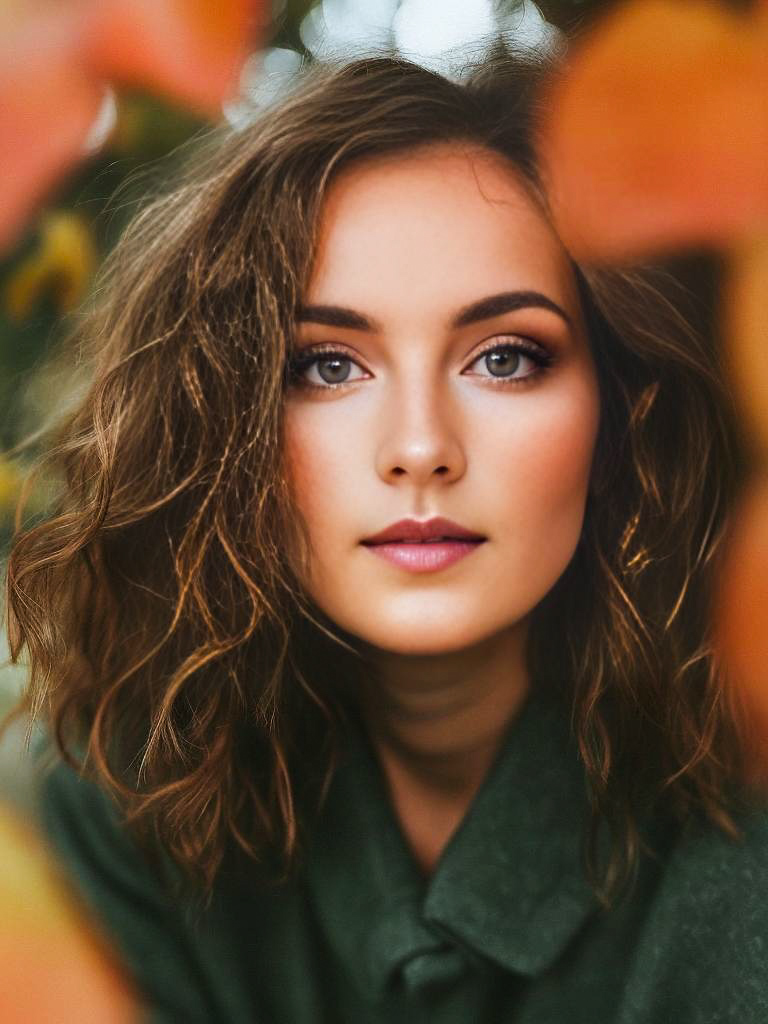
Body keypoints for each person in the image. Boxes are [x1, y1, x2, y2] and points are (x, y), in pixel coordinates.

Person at [3, 43, 768, 1024]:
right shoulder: (123, 807)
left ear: (620, 418)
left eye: (504, 358)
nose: (419, 448)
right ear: (225, 423)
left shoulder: (741, 839)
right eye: (328, 367)